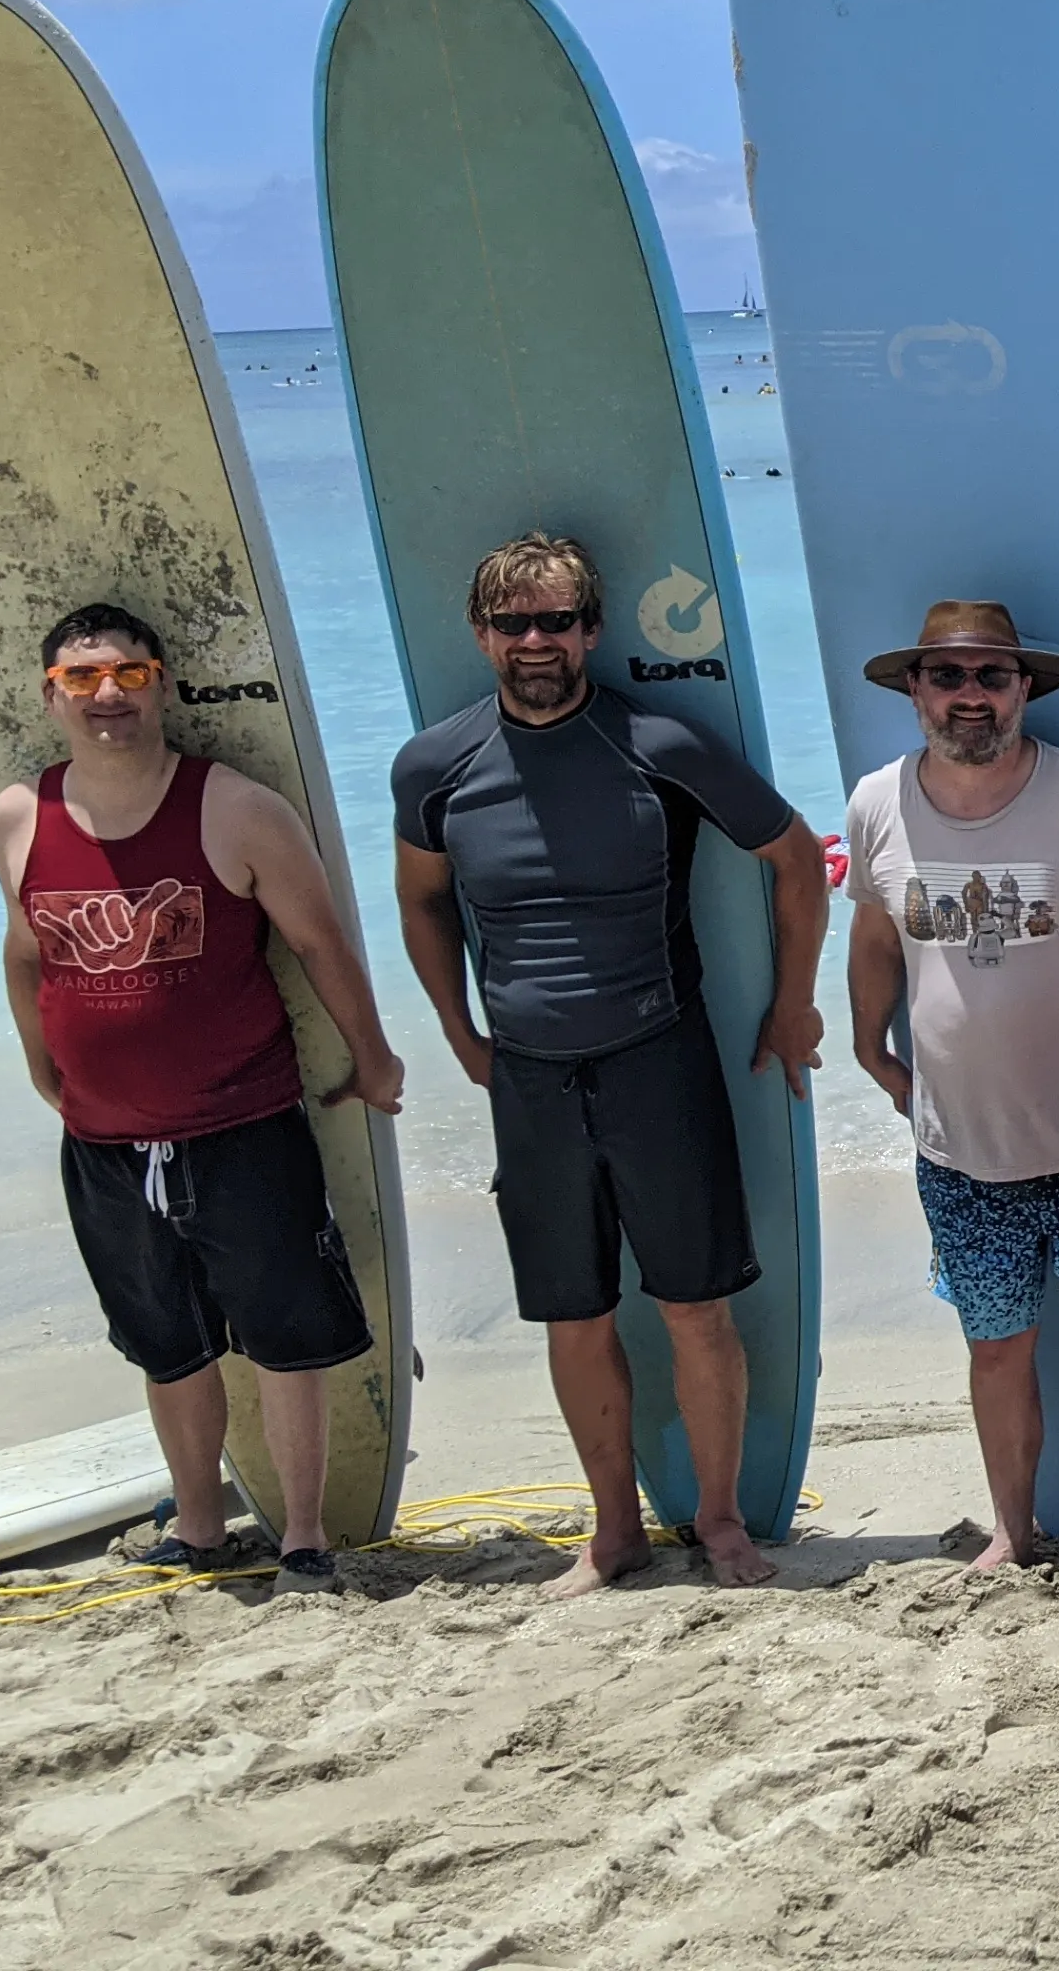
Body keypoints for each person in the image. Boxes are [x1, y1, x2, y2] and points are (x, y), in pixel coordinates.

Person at [391, 533, 830, 1595]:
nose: (534, 642)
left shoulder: (658, 743)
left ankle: (720, 1523)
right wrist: (459, 1033)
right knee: (574, 1315)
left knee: (694, 1307)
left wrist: (794, 1004)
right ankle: (611, 1531)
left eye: (556, 621)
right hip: (533, 1079)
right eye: (513, 624)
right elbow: (420, 900)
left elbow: (794, 857)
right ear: (481, 636)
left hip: (657, 1061)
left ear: (591, 630)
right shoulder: (435, 763)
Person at [0, 603, 405, 1591]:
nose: (107, 696)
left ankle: (303, 1535)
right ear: (51, 696)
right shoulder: (22, 812)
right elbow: (23, 952)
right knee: (165, 1345)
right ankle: (198, 1526)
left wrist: (375, 1057)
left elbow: (320, 946)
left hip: (242, 1128)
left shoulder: (235, 808)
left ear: (165, 685)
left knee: (284, 1339)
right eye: (83, 679)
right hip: (104, 1143)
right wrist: (37, 1060)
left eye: (129, 676)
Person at [840, 600, 1059, 1584]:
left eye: (990, 677)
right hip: (963, 1152)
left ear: (1022, 688)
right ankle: (1013, 1531)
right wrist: (871, 1051)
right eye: (947, 677)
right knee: (996, 1349)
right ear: (914, 688)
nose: (969, 696)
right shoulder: (878, 801)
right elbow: (874, 932)